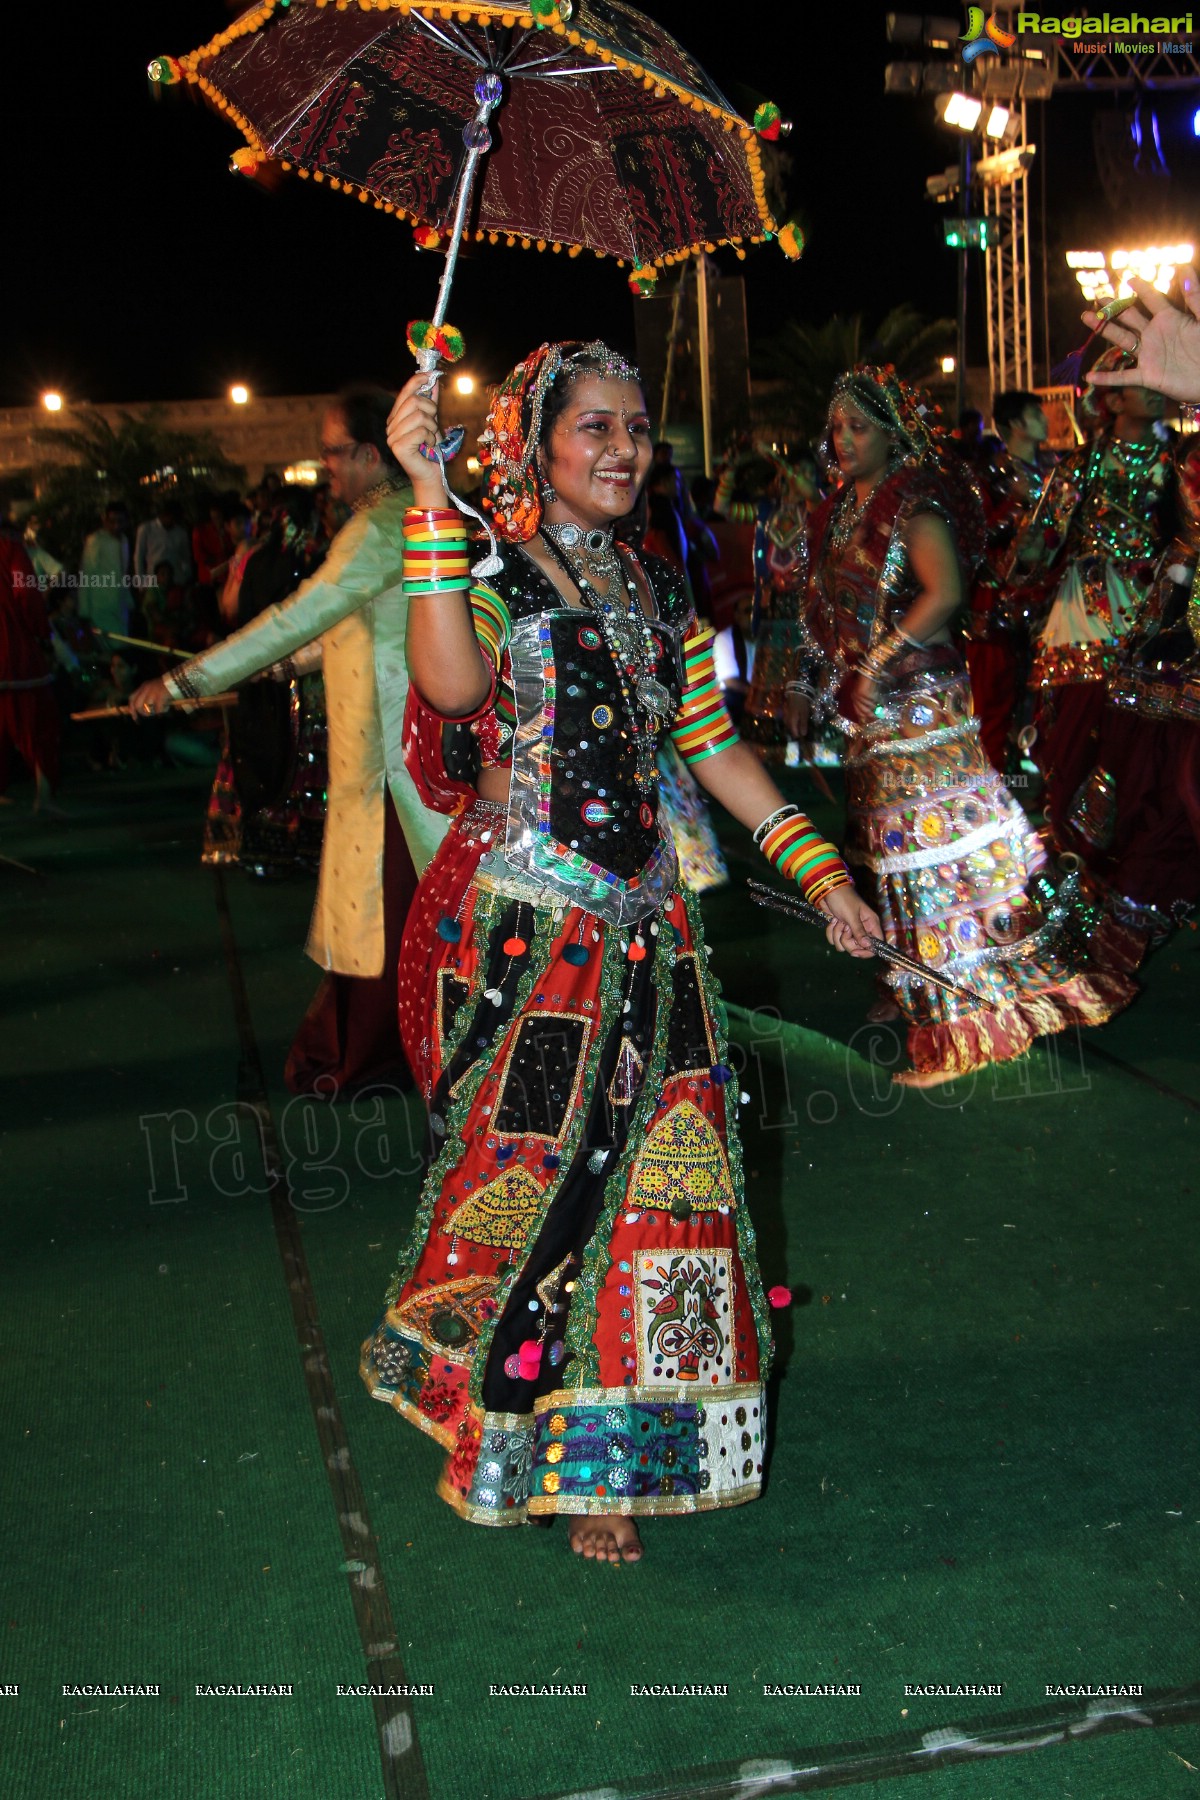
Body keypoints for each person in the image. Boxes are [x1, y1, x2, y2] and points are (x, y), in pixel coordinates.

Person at [358, 341, 882, 1566]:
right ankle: (510, 1425)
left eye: (637, 429)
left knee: (664, 1189)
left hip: (653, 940)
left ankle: (610, 1462)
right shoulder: (496, 578)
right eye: (594, 427)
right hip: (537, 944)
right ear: (537, 447)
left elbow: (713, 749)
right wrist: (430, 495)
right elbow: (443, 689)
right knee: (543, 1184)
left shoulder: (654, 589)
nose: (624, 450)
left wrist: (824, 873)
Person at [763, 365, 1138, 1085]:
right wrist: (812, 679)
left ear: (894, 432)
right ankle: (912, 982)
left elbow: (944, 594)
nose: (842, 439)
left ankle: (964, 1015)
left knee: (934, 858)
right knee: (890, 847)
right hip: (876, 713)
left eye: (859, 426)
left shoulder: (915, 501)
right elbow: (827, 605)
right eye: (836, 426)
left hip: (924, 704)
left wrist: (875, 663)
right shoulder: (846, 508)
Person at [129, 386, 446, 1095]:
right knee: (387, 912)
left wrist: (182, 683)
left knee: (389, 916)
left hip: (396, 759)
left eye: (332, 451)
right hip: (387, 748)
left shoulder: (377, 527)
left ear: (371, 454)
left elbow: (298, 614)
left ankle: (377, 1057)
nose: (324, 465)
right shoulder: (386, 520)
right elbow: (360, 619)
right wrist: (289, 663)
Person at [1014, 353, 1175, 843]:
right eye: (1137, 380)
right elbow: (1038, 542)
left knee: (1159, 743)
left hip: (1163, 610)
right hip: (1088, 609)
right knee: (1080, 728)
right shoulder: (1081, 467)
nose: (1153, 388)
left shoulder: (1181, 466)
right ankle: (1075, 849)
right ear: (1112, 397)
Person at [961, 390, 1053, 772]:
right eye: (1036, 413)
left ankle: (1038, 791)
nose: (1046, 419)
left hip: (1048, 606)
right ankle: (994, 793)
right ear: (1015, 424)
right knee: (994, 708)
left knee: (1043, 708)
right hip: (998, 610)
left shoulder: (1054, 474)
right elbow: (973, 538)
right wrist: (1017, 506)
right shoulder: (988, 476)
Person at [0, 520, 62, 813]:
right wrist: (41, 632)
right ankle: (44, 796)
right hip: (13, 653)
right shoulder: (11, 551)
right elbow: (26, 596)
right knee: (37, 723)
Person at [79, 505, 130, 639]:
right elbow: (87, 573)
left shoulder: (124, 540)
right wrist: (84, 610)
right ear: (105, 521)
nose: (116, 526)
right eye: (112, 522)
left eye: (120, 521)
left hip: (120, 603)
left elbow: (124, 573)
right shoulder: (96, 541)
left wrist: (128, 599)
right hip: (101, 605)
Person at [133, 499, 193, 592]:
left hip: (176, 582)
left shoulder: (181, 533)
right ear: (164, 515)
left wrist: (185, 578)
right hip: (153, 582)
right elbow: (139, 557)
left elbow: (185, 558)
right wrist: (141, 583)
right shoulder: (146, 529)